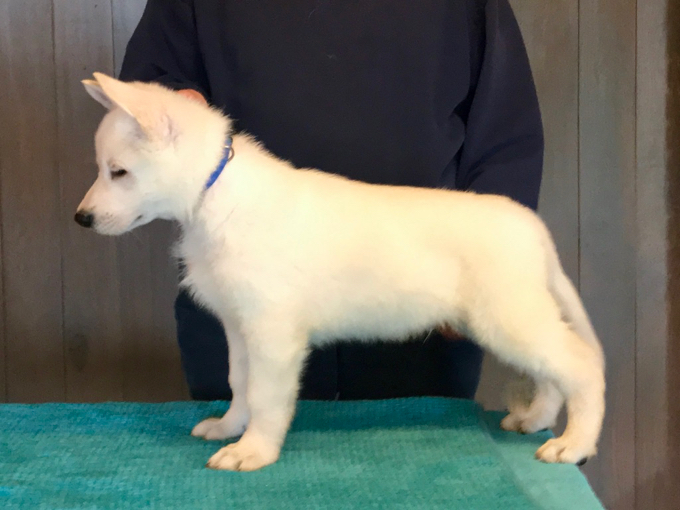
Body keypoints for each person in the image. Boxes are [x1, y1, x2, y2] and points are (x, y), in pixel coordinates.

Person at [119, 0, 543, 402]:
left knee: (416, 463)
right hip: (243, 284)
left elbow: (503, 133)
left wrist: (483, 266)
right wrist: (171, 109)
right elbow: (151, 85)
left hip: (417, 291)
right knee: (246, 462)